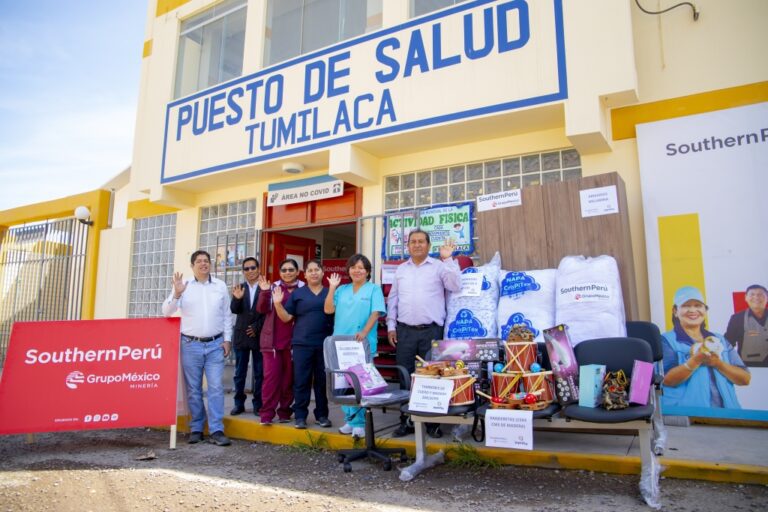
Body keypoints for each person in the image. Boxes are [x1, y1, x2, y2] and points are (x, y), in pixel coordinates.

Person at [387, 230, 460, 437]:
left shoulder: (439, 266)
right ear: (408, 246)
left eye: (421, 241)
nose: (417, 245)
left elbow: (455, 285)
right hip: (404, 332)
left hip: (431, 332)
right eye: (413, 242)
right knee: (405, 376)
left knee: (432, 377)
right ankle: (406, 421)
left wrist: (448, 259)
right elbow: (393, 299)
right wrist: (391, 325)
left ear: (428, 245)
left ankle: (431, 423)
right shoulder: (401, 269)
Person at [162, 250, 233, 446]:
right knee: (193, 389)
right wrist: (176, 294)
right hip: (190, 345)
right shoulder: (184, 286)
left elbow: (227, 315)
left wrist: (227, 340)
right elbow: (167, 312)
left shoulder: (220, 286)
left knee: (216, 387)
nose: (203, 264)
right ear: (192, 265)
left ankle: (217, 430)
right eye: (199, 261)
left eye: (206, 261)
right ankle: (197, 428)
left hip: (215, 345)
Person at [325, 254, 386, 438]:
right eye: (353, 267)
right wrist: (331, 288)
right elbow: (328, 309)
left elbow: (376, 312)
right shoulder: (341, 290)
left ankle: (360, 423)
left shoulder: (374, 289)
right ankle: (350, 420)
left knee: (361, 382)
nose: (357, 270)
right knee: (343, 383)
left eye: (361, 267)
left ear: (367, 271)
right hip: (341, 343)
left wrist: (365, 332)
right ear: (348, 270)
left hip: (361, 343)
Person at [661, 286, 750, 410]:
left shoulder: (720, 340)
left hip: (728, 414)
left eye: (698, 305)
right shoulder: (666, 340)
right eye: (686, 306)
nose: (693, 310)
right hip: (689, 415)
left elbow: (745, 379)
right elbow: (666, 380)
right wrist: (695, 361)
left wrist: (718, 363)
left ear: (705, 310)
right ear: (675, 311)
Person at [272, 260, 334, 430]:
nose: (313, 273)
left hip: (324, 344)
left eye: (317, 270)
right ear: (304, 274)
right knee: (301, 381)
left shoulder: (330, 292)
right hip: (301, 344)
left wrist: (333, 288)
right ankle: (300, 416)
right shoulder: (298, 294)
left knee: (322, 382)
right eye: (310, 270)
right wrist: (277, 304)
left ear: (322, 272)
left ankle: (322, 415)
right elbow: (286, 318)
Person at [256, 258, 303, 425]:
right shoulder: (272, 287)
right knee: (271, 380)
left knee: (288, 381)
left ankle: (284, 412)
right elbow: (261, 309)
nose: (287, 273)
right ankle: (266, 414)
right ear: (280, 272)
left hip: (294, 342)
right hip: (272, 343)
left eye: (291, 270)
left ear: (297, 272)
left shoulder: (303, 288)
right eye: (284, 270)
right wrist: (264, 292)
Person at [229, 257, 265, 416]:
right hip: (241, 336)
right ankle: (239, 404)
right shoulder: (240, 288)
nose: (250, 271)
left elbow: (269, 311)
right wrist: (237, 299)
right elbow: (234, 310)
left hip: (259, 335)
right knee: (239, 373)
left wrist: (257, 327)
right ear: (243, 271)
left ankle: (258, 404)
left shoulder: (265, 286)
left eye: (253, 268)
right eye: (246, 269)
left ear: (258, 269)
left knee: (260, 373)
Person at [724, 284, 768, 367]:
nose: (756, 297)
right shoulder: (737, 318)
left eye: (760, 295)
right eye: (752, 294)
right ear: (746, 298)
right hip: (748, 367)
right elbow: (728, 343)